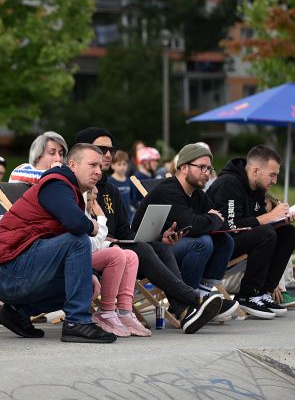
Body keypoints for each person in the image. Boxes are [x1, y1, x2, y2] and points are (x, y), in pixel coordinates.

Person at [75, 128, 225, 333]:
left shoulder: (111, 190)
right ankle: (194, 298)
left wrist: (153, 237)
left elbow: (124, 231)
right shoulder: (77, 189)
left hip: (119, 249)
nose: (108, 154)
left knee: (157, 247)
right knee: (148, 249)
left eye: (111, 149)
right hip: (97, 253)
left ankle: (184, 312)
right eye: (101, 149)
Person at [0, 144, 117, 343]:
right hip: (5, 271)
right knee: (78, 240)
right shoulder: (56, 183)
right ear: (72, 165)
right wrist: (93, 225)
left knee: (85, 283)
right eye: (92, 165)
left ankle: (16, 312)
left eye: (100, 166)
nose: (98, 171)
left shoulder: (69, 190)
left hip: (18, 270)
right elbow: (75, 223)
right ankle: (77, 322)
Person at [139, 143, 237, 315]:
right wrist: (211, 218)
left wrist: (211, 219)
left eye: (209, 168)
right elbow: (192, 225)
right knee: (202, 242)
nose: (207, 173)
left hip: (170, 248)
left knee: (225, 241)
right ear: (184, 168)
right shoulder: (168, 191)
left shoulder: (197, 194)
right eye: (201, 167)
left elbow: (219, 220)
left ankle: (205, 292)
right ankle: (189, 300)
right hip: (149, 253)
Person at [207, 145, 295, 319]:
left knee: (289, 233)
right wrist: (270, 216)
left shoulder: (258, 189)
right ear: (256, 171)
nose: (274, 181)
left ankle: (264, 292)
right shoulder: (228, 184)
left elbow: (257, 223)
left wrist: (280, 221)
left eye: (276, 175)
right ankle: (248, 295)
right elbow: (230, 227)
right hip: (221, 245)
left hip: (243, 240)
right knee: (266, 234)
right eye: (272, 175)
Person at [85, 188, 151, 337]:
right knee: (116, 254)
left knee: (130, 256)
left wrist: (108, 243)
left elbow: (96, 242)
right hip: (78, 259)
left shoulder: (88, 214)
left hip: (91, 255)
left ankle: (124, 312)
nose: (93, 204)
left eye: (94, 200)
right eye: (89, 200)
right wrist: (101, 217)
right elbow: (90, 245)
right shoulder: (81, 213)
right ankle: (106, 311)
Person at [106, 150, 138, 222]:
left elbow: (133, 200)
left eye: (124, 164)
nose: (122, 167)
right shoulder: (109, 181)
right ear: (112, 165)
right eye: (119, 164)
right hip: (115, 218)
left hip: (129, 217)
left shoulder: (130, 181)